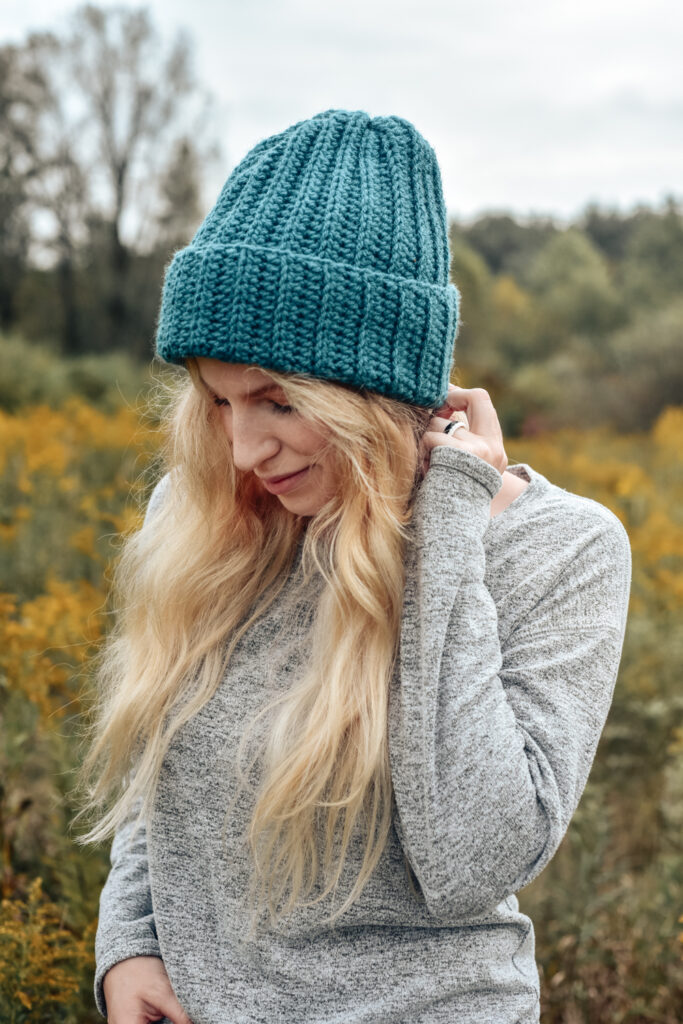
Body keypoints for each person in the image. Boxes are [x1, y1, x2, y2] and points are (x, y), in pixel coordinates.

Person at [76, 109, 632, 1024]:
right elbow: (165, 765)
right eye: (217, 400)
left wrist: (443, 533)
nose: (245, 446)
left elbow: (473, 861)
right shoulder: (206, 515)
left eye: (278, 402)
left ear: (376, 391)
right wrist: (130, 939)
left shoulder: (559, 550)